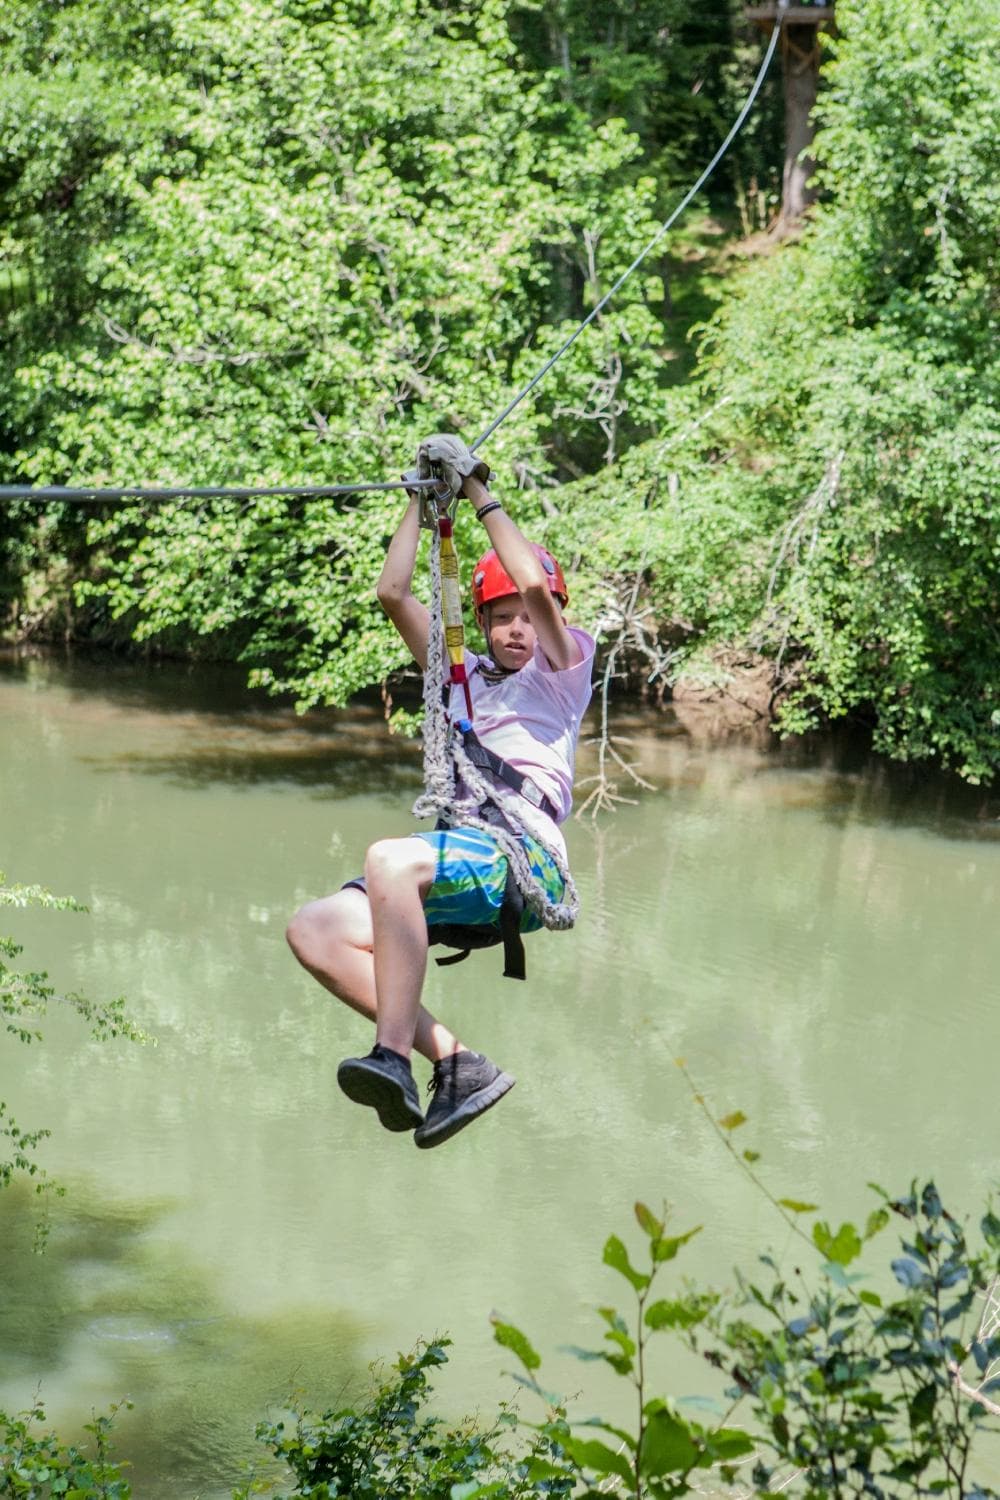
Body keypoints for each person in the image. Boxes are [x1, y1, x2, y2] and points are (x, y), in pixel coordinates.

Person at [286, 435, 595, 1149]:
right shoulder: (461, 678)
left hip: (524, 859)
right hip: (465, 852)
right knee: (314, 929)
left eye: (529, 616)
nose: (518, 628)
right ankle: (457, 1063)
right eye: (502, 616)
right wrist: (418, 502)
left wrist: (477, 487)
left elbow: (537, 587)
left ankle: (391, 1056)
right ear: (480, 623)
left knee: (389, 859)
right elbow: (392, 593)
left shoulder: (562, 674)